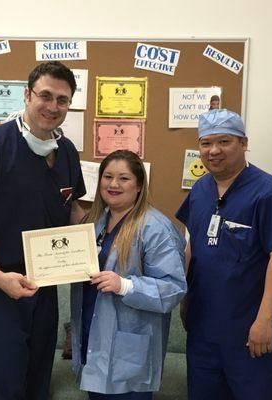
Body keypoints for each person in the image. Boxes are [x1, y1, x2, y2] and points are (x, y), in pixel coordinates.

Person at [0, 61, 86, 400]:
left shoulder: (67, 152)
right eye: (45, 95)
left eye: (62, 100)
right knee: (6, 381)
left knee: (39, 374)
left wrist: (91, 254)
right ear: (27, 95)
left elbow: (73, 210)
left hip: (45, 281)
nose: (53, 106)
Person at [176, 109, 272, 400]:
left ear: (243, 143)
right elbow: (193, 243)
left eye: (224, 141)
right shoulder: (200, 190)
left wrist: (264, 320)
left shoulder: (267, 191)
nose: (214, 150)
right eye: (206, 143)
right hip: (203, 326)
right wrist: (185, 297)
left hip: (248, 331)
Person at [71, 150, 187, 400]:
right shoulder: (95, 223)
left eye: (124, 178)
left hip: (130, 350)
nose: (113, 184)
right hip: (94, 340)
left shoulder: (156, 228)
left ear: (139, 185)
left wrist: (124, 285)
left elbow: (173, 289)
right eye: (108, 176)